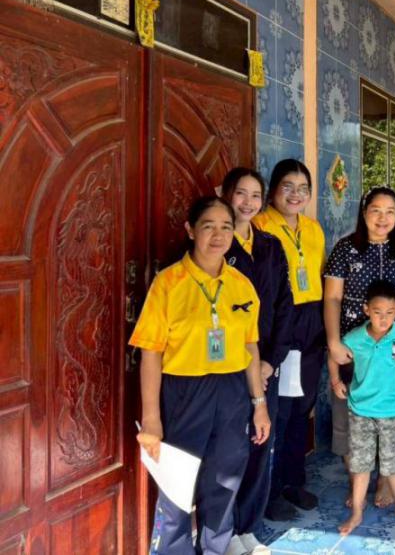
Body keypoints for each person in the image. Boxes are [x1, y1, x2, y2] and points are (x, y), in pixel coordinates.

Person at [131, 196, 271, 555]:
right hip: (184, 392)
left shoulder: (241, 285)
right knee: (176, 482)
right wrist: (151, 419)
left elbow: (251, 348)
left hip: (232, 392)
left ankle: (215, 548)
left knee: (224, 478)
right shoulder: (168, 283)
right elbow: (151, 354)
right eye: (209, 227)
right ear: (191, 231)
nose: (218, 235)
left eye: (226, 227)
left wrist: (259, 404)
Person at [323, 186, 395, 507]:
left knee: (389, 418)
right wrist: (333, 341)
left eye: (390, 211)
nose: (383, 218)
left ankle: (383, 480)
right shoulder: (345, 249)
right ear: (364, 213)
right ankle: (356, 479)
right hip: (352, 349)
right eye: (376, 211)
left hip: (391, 352)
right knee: (348, 417)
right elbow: (332, 297)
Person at [219, 168, 293, 555]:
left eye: (254, 195)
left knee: (261, 444)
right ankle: (225, 531)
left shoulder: (270, 246)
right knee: (230, 449)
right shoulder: (216, 244)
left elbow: (284, 305)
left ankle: (248, 526)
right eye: (240, 194)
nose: (247, 203)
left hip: (265, 368)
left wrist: (270, 361)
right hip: (229, 368)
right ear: (225, 195)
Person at [253, 159, 326, 520]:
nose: (296, 195)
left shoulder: (313, 229)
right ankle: (269, 490)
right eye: (288, 187)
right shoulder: (259, 226)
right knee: (277, 410)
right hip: (281, 322)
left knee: (301, 407)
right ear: (273, 191)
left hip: (311, 321)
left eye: (303, 189)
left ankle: (293, 481)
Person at [329, 280, 395, 535]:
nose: (384, 319)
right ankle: (356, 514)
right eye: (378, 312)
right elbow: (333, 355)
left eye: (390, 313)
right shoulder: (355, 338)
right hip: (360, 411)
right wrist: (336, 380)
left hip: (392, 412)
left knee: (392, 465)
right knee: (360, 466)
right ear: (366, 310)